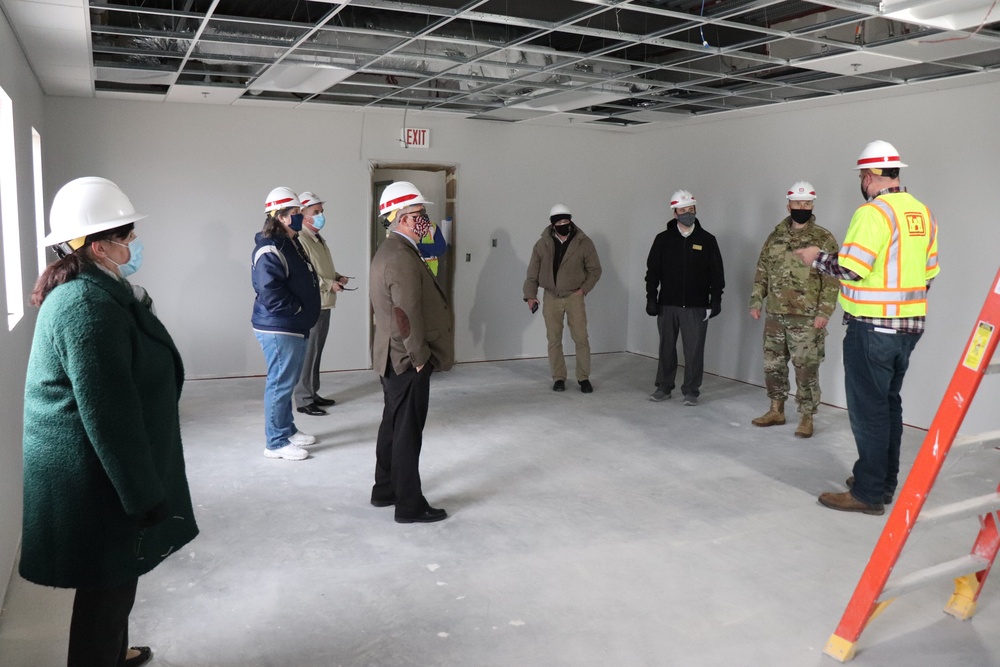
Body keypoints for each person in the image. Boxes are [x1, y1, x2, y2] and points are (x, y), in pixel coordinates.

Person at [22, 177, 198, 667]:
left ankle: (112, 652)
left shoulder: (99, 290)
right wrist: (144, 494)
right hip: (95, 478)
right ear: (99, 246)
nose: (134, 245)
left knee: (118, 578)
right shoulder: (85, 305)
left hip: (99, 472)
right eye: (127, 237)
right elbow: (108, 415)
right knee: (106, 588)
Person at [794, 140, 939, 515]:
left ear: (872, 176)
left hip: (871, 329)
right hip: (908, 329)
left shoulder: (873, 213)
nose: (862, 181)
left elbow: (852, 268)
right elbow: (929, 274)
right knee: (888, 405)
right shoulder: (922, 213)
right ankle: (883, 481)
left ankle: (868, 493)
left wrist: (816, 258)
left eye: (862, 175)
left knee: (868, 411)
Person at [370, 181, 455, 523]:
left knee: (393, 425)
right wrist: (420, 358)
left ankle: (385, 488)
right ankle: (409, 505)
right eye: (420, 215)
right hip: (406, 360)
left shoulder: (393, 251)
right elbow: (406, 315)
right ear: (402, 218)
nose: (426, 221)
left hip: (393, 357)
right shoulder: (400, 258)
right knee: (408, 433)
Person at [748, 182, 840, 438]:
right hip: (776, 314)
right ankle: (776, 409)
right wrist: (756, 300)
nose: (802, 208)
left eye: (807, 204)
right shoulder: (775, 236)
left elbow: (832, 279)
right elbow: (762, 270)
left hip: (807, 317)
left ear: (812, 205)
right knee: (773, 366)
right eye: (798, 204)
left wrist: (824, 312)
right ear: (788, 205)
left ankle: (807, 416)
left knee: (806, 368)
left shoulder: (823, 238)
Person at [251, 187, 321, 460]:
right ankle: (276, 442)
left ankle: (287, 429)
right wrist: (299, 308)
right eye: (295, 213)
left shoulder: (291, 242)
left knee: (287, 382)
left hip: (293, 325)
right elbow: (270, 292)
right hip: (280, 327)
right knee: (280, 384)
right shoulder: (269, 248)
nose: (300, 216)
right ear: (280, 217)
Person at [644, 189, 725, 406]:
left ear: (695, 210)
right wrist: (651, 298)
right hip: (667, 305)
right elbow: (652, 272)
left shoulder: (707, 240)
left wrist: (715, 300)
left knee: (694, 350)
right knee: (666, 348)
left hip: (696, 306)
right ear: (675, 213)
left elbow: (717, 274)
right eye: (683, 210)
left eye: (691, 209)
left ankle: (691, 390)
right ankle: (664, 387)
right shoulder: (662, 240)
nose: (687, 213)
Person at [523, 203, 603, 393]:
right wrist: (530, 296)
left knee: (581, 338)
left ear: (571, 221)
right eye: (559, 221)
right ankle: (558, 377)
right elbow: (532, 274)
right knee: (554, 339)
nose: (563, 224)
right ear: (552, 224)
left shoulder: (584, 242)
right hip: (551, 296)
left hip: (574, 296)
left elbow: (595, 270)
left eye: (566, 220)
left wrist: (583, 290)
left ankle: (583, 378)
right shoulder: (542, 244)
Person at [293, 191, 350, 416]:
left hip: (324, 302)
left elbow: (320, 267)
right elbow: (303, 275)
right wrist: (329, 284)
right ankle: (303, 398)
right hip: (312, 304)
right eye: (315, 212)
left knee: (316, 351)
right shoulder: (300, 239)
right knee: (308, 353)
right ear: (302, 214)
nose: (320, 216)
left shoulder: (316, 238)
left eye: (321, 212)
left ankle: (312, 392)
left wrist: (336, 276)